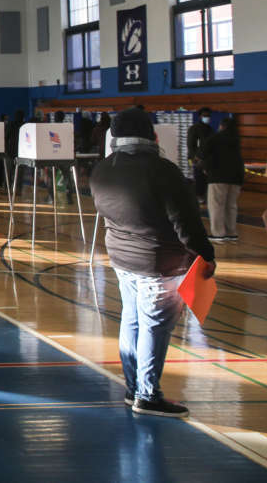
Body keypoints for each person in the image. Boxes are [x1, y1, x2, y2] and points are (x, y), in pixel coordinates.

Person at [91, 107, 215, 418]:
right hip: (159, 263)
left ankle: (133, 388)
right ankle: (148, 395)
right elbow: (186, 222)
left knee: (131, 321)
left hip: (122, 259)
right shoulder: (163, 170)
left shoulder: (103, 169)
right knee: (154, 327)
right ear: (152, 136)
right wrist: (205, 254)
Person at [199, 116, 244, 242]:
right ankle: (232, 232)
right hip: (236, 177)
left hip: (218, 176)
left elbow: (202, 154)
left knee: (217, 205)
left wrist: (205, 167)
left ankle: (218, 234)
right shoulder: (236, 139)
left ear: (222, 126)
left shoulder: (216, 138)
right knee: (231, 206)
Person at [187, 107, 213, 203]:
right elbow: (190, 144)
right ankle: (198, 196)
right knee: (199, 178)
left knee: (206, 179)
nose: (207, 117)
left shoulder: (210, 129)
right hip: (197, 158)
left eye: (208, 116)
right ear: (200, 116)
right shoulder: (194, 128)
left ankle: (204, 195)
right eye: (205, 116)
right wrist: (195, 157)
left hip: (208, 158)